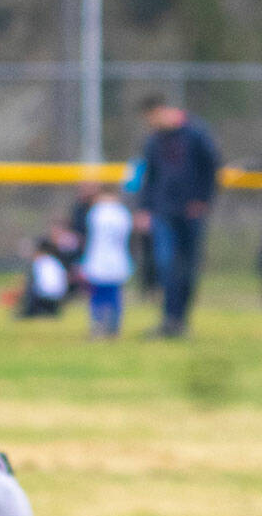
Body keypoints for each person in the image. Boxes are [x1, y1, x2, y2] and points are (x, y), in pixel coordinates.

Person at [134, 94, 221, 338]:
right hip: (164, 211)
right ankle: (169, 320)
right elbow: (149, 176)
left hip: (191, 212)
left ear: (161, 110)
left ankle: (180, 321)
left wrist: (203, 200)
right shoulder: (154, 140)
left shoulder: (196, 133)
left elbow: (212, 166)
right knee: (166, 264)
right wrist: (144, 208)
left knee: (188, 267)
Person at [79, 185, 132, 338]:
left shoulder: (96, 212)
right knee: (114, 296)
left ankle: (98, 328)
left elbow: (90, 237)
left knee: (97, 296)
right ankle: (113, 329)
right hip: (117, 261)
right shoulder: (123, 213)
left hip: (98, 261)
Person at [14, 238, 69, 319]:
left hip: (43, 297)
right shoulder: (55, 261)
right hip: (59, 298)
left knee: (29, 287)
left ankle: (29, 312)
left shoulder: (39, 262)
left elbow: (33, 283)